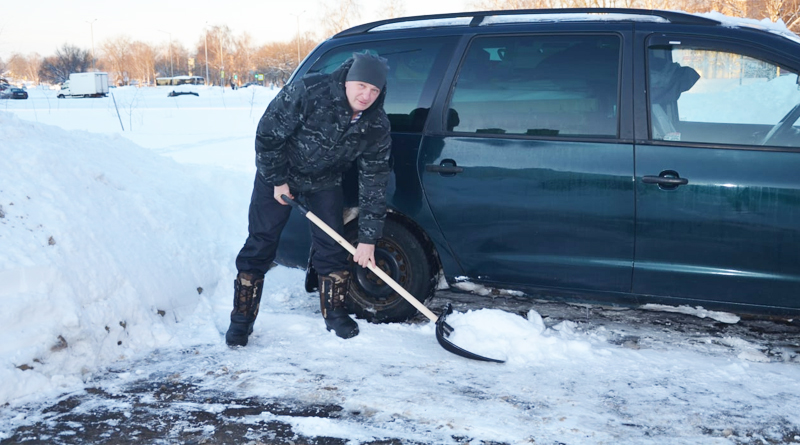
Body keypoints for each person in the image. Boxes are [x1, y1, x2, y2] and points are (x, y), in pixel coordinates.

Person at [226, 52, 392, 347]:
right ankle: (241, 319)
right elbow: (267, 135)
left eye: (374, 90)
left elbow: (375, 180)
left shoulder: (376, 124)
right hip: (278, 174)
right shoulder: (309, 91)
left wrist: (368, 239)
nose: (366, 95)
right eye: (362, 85)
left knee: (332, 245)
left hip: (325, 181)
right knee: (261, 242)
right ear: (348, 80)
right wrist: (278, 180)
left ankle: (335, 314)